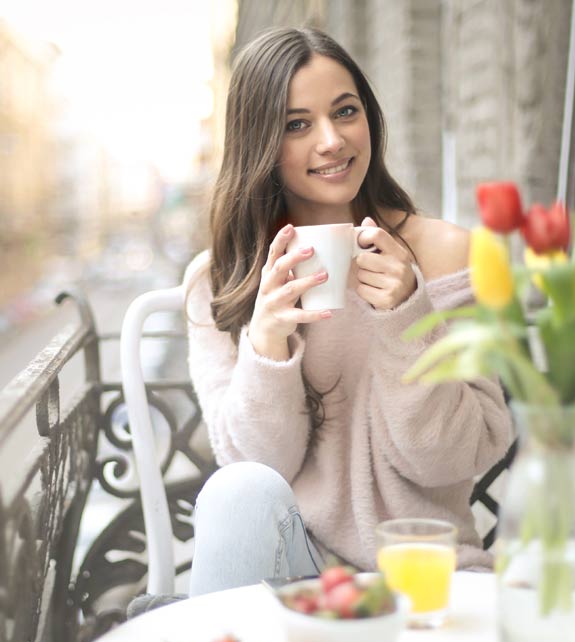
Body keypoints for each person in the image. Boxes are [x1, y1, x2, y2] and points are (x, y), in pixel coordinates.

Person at [185, 26, 513, 596]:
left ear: (370, 119)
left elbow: (452, 458)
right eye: (297, 124)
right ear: (259, 142)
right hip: (294, 569)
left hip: (424, 569)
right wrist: (266, 346)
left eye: (346, 111)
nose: (333, 141)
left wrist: (409, 316)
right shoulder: (224, 279)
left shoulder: (447, 254)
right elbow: (258, 470)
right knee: (236, 492)